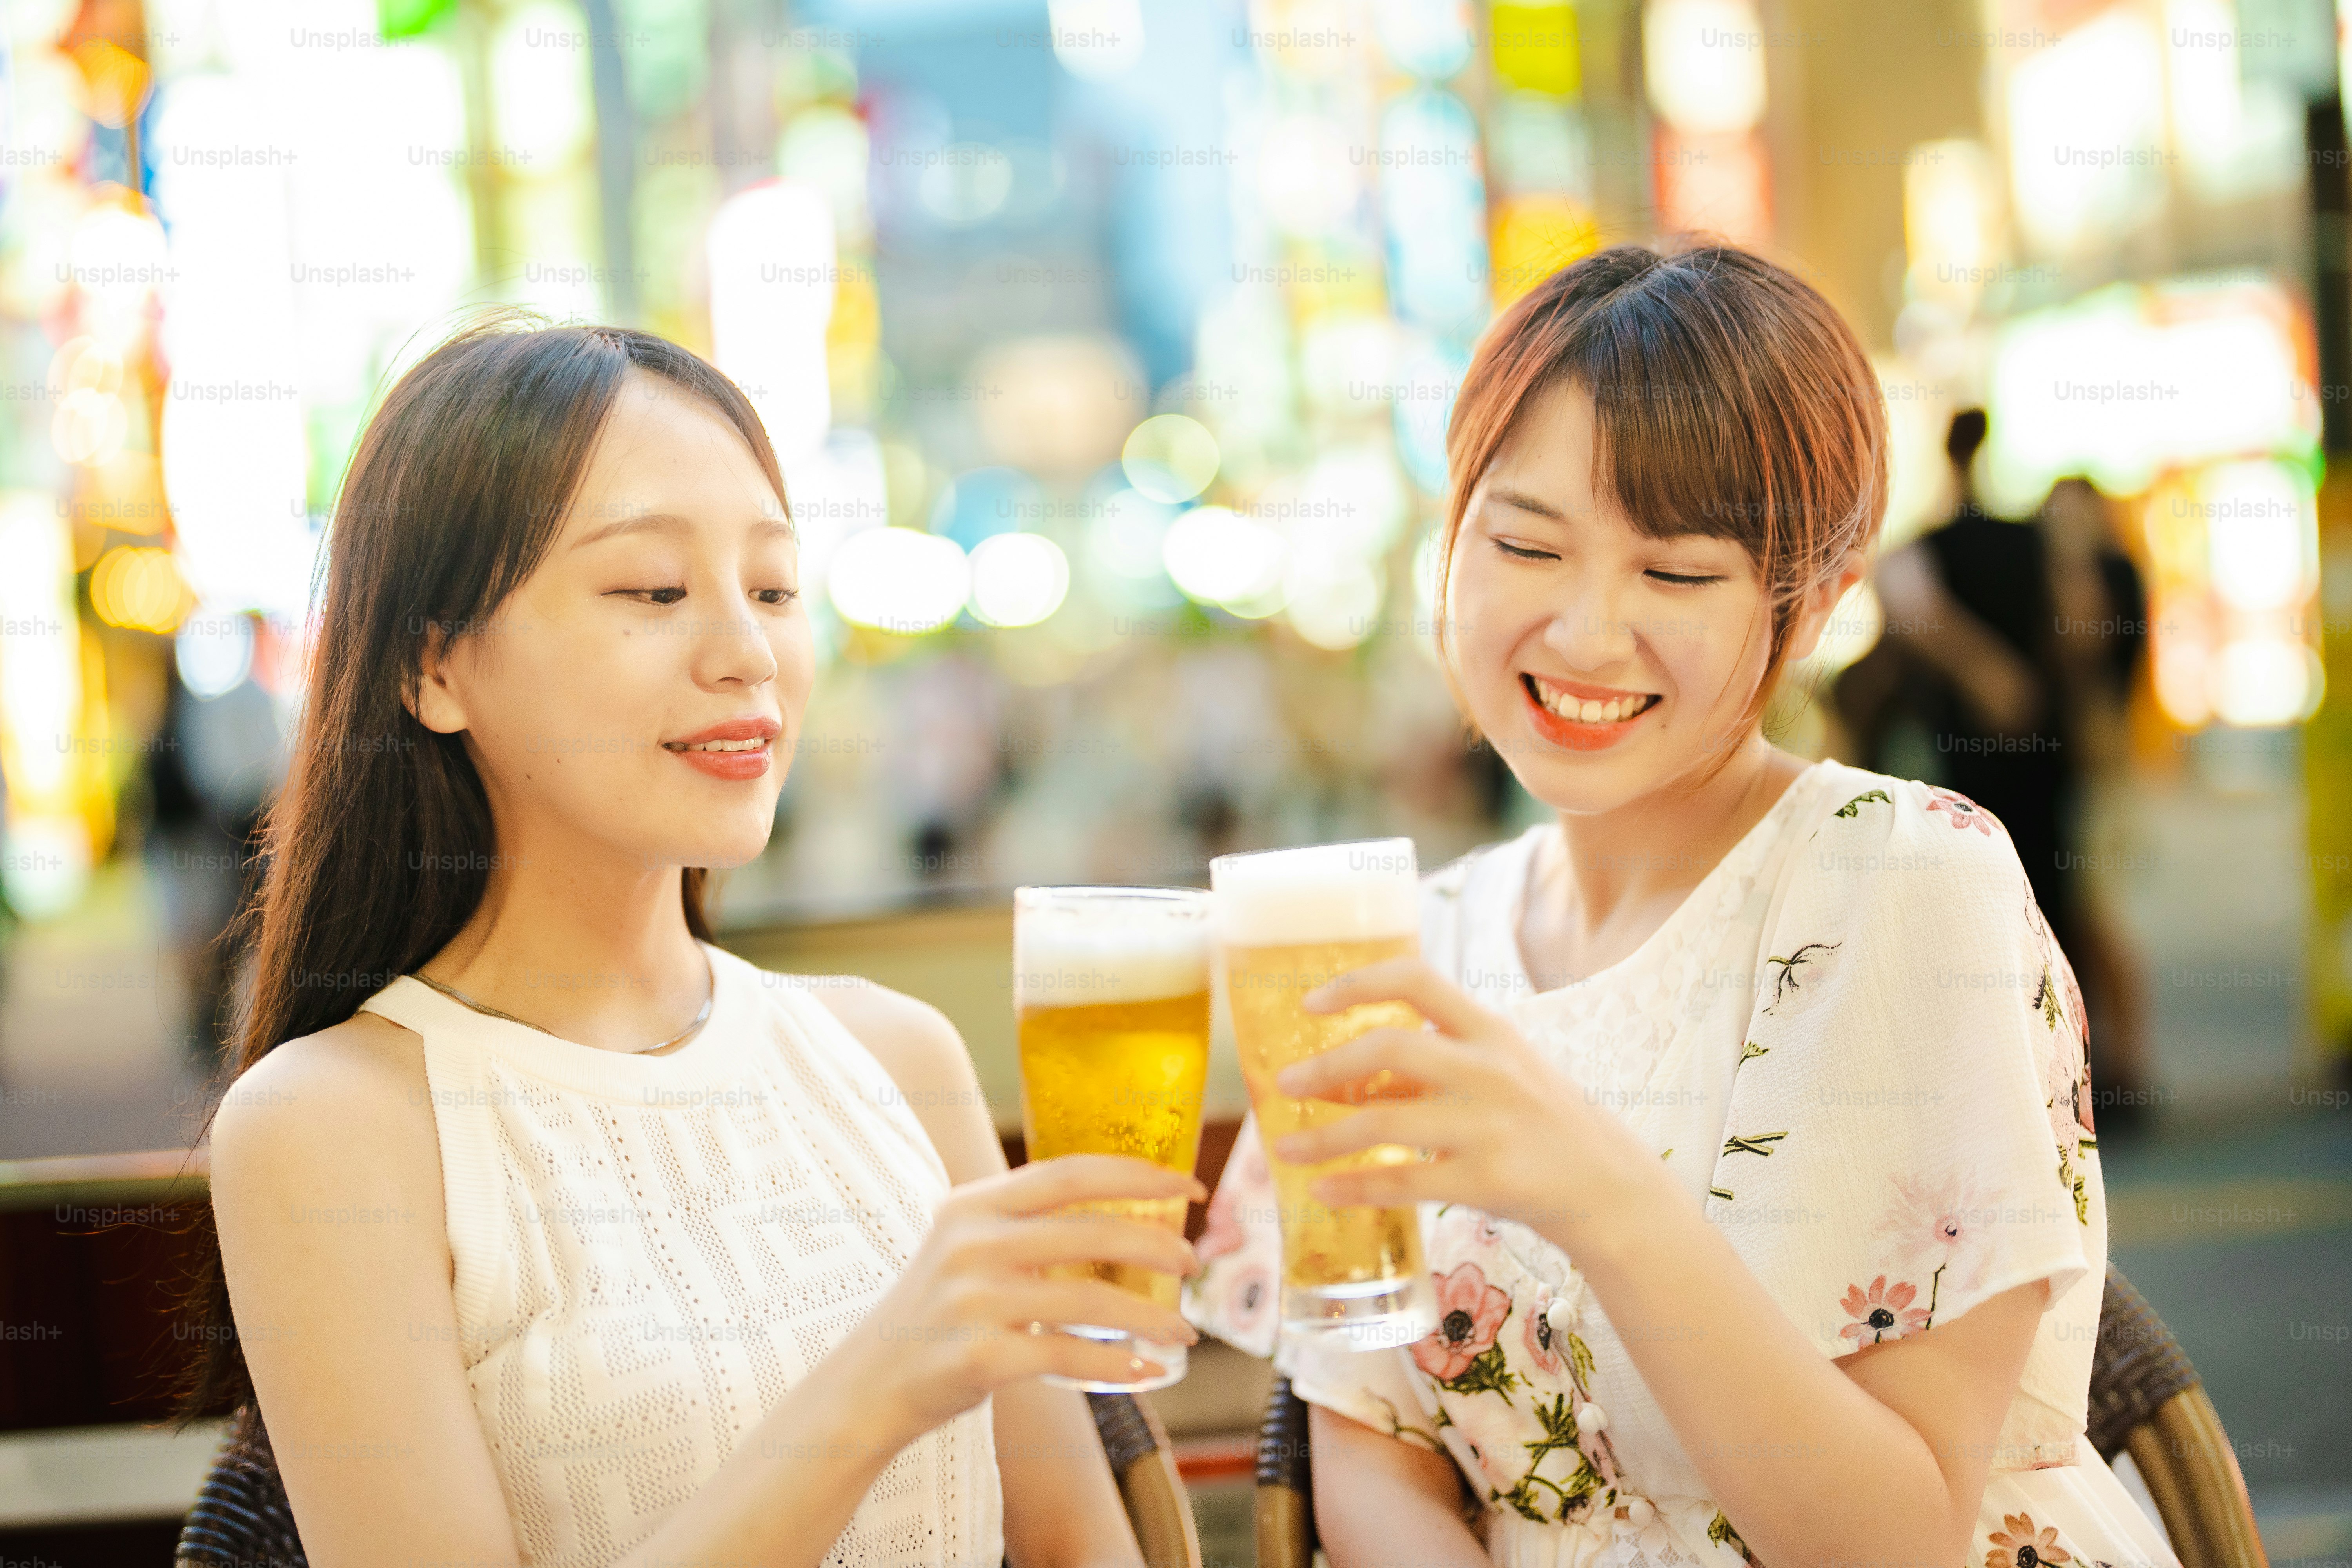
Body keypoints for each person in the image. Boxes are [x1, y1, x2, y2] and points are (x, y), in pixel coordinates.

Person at [1186, 246, 2172, 1568]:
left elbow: (1898, 1539)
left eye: (1678, 575)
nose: (1588, 634)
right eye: (1527, 542)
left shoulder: (1903, 884)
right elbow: (1365, 1449)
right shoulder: (1399, 945)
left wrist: (1596, 1192)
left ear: (1814, 602)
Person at [174, 317, 1201, 1568]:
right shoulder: (330, 1124)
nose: (748, 652)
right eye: (653, 591)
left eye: (773, 589)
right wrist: (883, 1378)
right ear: (433, 667)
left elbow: (1079, 1555)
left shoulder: (894, 1053)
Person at [1851, 423, 2154, 1127]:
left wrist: (1979, 671)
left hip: (1966, 771)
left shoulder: (1923, 548)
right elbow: (2085, 624)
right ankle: (2094, 1076)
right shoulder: (2039, 540)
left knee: (1979, 921)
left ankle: (2011, 1087)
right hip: (2048, 759)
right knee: (2060, 912)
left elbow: (1911, 617)